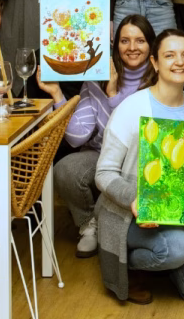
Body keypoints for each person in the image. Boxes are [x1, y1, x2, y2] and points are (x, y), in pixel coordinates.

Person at [95, 28, 184, 304]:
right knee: (179, 247)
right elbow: (103, 173)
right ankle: (129, 265)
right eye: (170, 55)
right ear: (155, 62)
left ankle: (165, 262)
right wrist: (135, 199)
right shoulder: (131, 107)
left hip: (177, 212)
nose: (179, 62)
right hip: (130, 212)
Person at [44, 15, 155, 258]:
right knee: (66, 169)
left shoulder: (159, 80)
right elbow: (76, 137)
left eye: (140, 41)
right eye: (124, 41)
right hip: (101, 156)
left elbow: (138, 137)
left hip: (140, 162)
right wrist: (57, 93)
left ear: (151, 46)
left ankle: (116, 222)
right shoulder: (97, 78)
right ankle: (89, 223)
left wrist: (113, 96)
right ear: (115, 46)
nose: (132, 47)